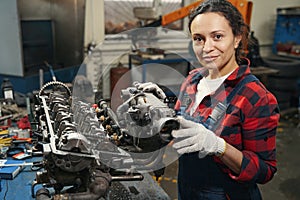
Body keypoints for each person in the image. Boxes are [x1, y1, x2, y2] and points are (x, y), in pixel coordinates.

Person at [137, 0, 280, 199]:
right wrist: (160, 106)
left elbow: (264, 170)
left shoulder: (254, 96)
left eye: (217, 37)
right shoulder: (193, 80)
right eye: (198, 39)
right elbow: (179, 124)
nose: (207, 48)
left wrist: (218, 147)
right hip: (187, 189)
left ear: (237, 38)